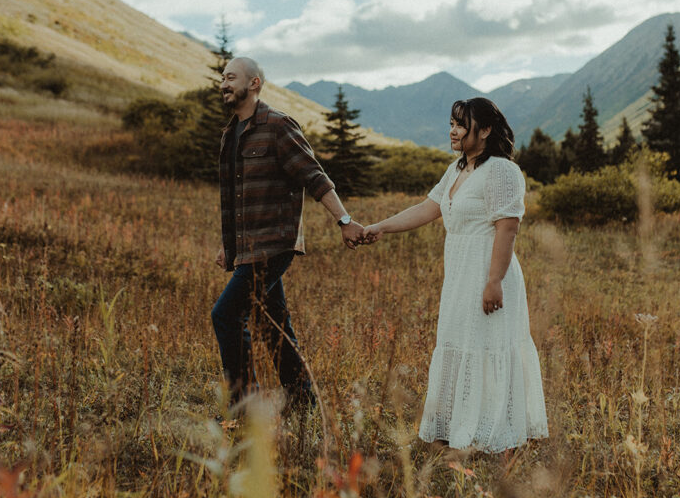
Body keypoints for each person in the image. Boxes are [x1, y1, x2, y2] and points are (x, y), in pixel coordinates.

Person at [361, 97, 548, 451]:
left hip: (489, 270)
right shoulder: (458, 169)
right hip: (460, 273)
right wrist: (380, 227)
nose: (453, 131)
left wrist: (493, 281)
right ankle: (454, 427)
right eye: (452, 123)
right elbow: (429, 208)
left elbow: (507, 228)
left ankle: (490, 432)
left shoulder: (503, 171)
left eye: (461, 125)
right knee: (459, 343)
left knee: (486, 345)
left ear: (486, 130)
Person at [213, 56, 365, 412]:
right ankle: (303, 400)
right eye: (222, 77)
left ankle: (243, 407)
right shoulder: (229, 135)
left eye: (231, 77)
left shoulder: (278, 126)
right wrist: (228, 243)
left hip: (274, 244)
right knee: (271, 323)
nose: (224, 83)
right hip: (247, 247)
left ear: (254, 84)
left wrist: (345, 221)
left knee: (226, 315)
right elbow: (233, 198)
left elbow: (315, 177)